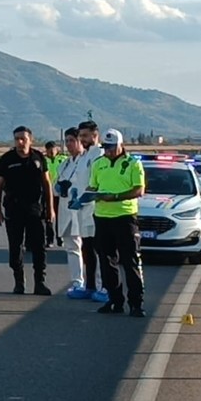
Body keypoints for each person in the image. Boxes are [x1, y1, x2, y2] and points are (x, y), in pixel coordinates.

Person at [84, 129, 147, 317]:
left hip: (125, 217)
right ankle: (114, 300)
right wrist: (85, 195)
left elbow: (139, 190)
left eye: (112, 148)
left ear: (121, 145)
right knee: (106, 261)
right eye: (106, 148)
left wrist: (116, 197)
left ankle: (136, 303)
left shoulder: (133, 163)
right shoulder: (99, 163)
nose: (109, 151)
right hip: (102, 217)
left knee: (130, 261)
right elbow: (93, 186)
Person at [0, 125, 54, 295]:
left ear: (30, 140)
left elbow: (47, 184)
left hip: (35, 209)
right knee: (15, 247)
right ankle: (19, 281)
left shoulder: (38, 157)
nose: (20, 142)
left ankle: (40, 282)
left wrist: (50, 209)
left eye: (23, 139)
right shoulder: (7, 159)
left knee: (39, 247)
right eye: (17, 139)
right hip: (14, 209)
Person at [55, 127, 92, 298]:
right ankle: (77, 282)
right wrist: (59, 188)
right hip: (66, 210)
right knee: (72, 247)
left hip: (83, 210)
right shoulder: (64, 164)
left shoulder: (87, 161)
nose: (69, 144)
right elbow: (56, 186)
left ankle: (96, 284)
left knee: (89, 249)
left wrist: (72, 190)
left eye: (72, 140)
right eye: (67, 141)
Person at [77, 120, 106, 300]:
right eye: (80, 136)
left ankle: (104, 287)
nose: (82, 139)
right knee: (87, 249)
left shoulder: (100, 155)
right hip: (83, 210)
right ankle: (90, 286)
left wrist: (87, 196)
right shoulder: (84, 156)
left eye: (85, 136)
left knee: (100, 249)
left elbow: (98, 183)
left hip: (96, 209)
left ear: (95, 135)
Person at [44, 140, 67, 247]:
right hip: (48, 192)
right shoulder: (44, 160)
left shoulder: (64, 159)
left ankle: (60, 236)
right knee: (48, 216)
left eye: (53, 149)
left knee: (60, 216)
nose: (51, 152)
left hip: (59, 193)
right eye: (49, 150)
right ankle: (49, 239)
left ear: (57, 149)